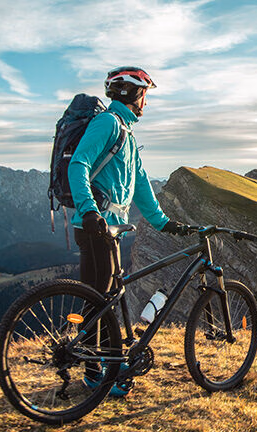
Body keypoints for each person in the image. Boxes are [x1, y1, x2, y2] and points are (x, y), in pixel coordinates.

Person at [68, 66, 190, 396]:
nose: (146, 103)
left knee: (105, 297)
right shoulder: (107, 123)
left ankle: (108, 362)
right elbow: (77, 164)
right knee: (97, 302)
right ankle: (95, 375)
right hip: (94, 226)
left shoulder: (127, 134)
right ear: (132, 94)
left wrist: (164, 222)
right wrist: (89, 210)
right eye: (145, 95)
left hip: (109, 229)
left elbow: (140, 187)